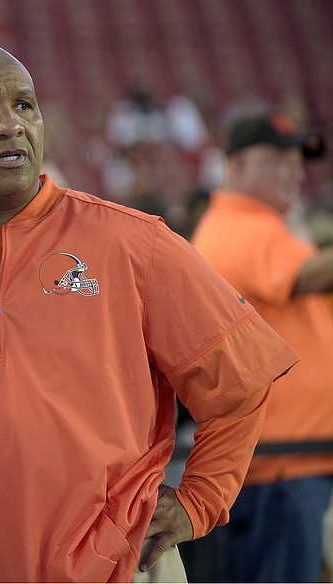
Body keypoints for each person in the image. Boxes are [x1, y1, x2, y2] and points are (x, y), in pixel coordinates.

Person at [0, 42, 300, 583]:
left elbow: (241, 387)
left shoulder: (136, 245)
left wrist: (200, 499)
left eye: (24, 106)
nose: (9, 126)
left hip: (119, 571)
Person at [191, 112, 332, 582]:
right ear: (237, 166)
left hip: (289, 460)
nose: (295, 171)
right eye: (279, 160)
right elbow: (311, 276)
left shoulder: (262, 226)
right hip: (278, 465)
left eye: (298, 161)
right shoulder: (240, 224)